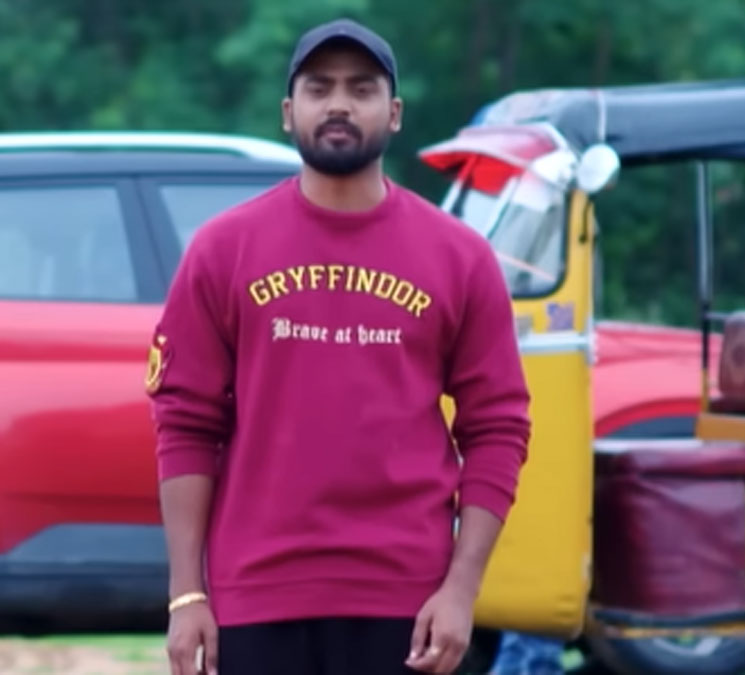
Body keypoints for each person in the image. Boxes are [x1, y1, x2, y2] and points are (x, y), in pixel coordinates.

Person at [145, 18, 531, 675]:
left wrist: (462, 589)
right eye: (319, 88)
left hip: (408, 601)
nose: (340, 105)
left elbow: (498, 427)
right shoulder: (223, 250)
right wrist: (187, 594)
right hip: (256, 597)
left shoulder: (459, 257)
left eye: (362, 88)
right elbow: (184, 423)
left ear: (395, 112)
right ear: (288, 112)